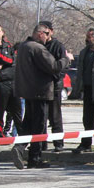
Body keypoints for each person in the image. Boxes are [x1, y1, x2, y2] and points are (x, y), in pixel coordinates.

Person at [12, 23, 73, 169]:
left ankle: (19, 147)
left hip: (28, 92)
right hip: (40, 91)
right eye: (47, 34)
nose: (48, 37)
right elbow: (54, 66)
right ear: (40, 33)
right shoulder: (37, 48)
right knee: (39, 127)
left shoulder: (23, 47)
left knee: (28, 124)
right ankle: (35, 158)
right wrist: (67, 58)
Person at [42, 21, 67, 151]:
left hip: (55, 85)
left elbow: (62, 66)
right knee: (42, 116)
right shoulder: (38, 45)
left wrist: (55, 78)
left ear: (51, 31)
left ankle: (58, 143)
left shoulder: (58, 46)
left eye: (46, 32)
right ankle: (42, 143)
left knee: (55, 115)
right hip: (41, 86)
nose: (44, 35)